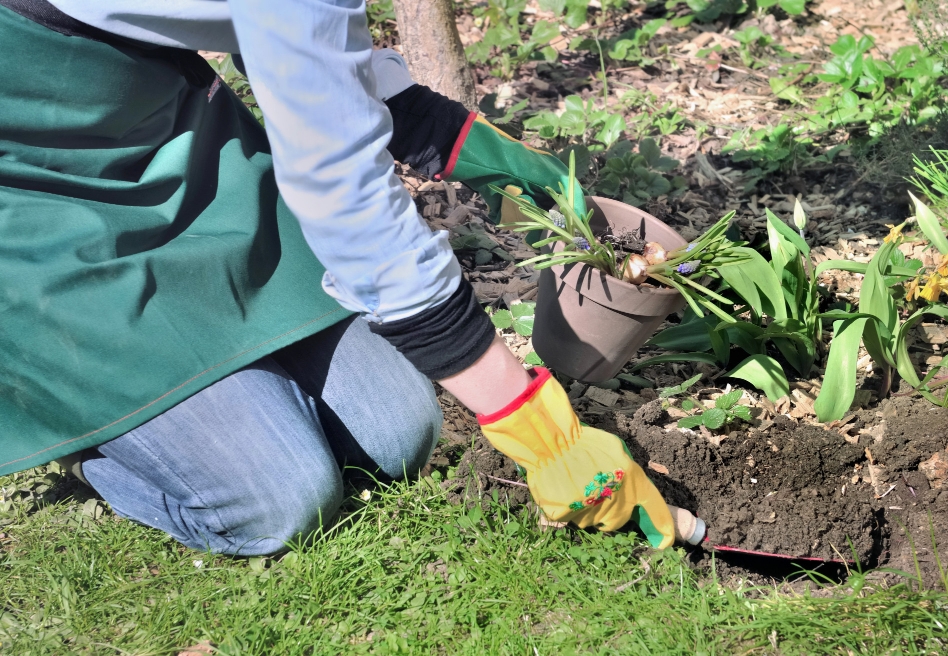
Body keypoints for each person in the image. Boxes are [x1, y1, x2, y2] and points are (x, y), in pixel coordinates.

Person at [0, 0, 705, 556]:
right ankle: (92, 431)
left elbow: (305, 49)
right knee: (277, 503)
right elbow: (351, 205)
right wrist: (542, 435)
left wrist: (471, 146)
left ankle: (199, 385)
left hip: (167, 149)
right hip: (33, 214)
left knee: (395, 436)